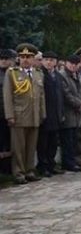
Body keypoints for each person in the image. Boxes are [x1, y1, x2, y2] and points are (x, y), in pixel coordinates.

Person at [2, 43, 46, 184]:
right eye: (22, 57)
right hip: (19, 115)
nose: (25, 59)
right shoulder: (12, 73)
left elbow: (41, 96)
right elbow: (7, 96)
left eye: (29, 57)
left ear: (33, 59)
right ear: (18, 58)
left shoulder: (38, 73)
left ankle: (30, 170)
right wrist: (9, 115)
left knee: (31, 146)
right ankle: (19, 173)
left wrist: (42, 113)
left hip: (34, 116)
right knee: (18, 147)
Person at [37, 51, 63, 177]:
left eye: (52, 60)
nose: (49, 62)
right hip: (45, 113)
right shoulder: (40, 74)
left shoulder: (57, 76)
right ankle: (43, 166)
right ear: (42, 61)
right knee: (43, 143)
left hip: (56, 114)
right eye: (46, 59)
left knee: (53, 142)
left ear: (56, 62)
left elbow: (60, 96)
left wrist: (61, 112)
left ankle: (51, 165)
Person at [59, 54, 81, 172]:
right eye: (71, 64)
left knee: (74, 139)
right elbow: (66, 94)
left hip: (77, 113)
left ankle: (73, 160)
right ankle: (68, 162)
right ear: (66, 63)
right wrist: (78, 104)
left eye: (76, 64)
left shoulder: (77, 75)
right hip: (68, 112)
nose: (73, 66)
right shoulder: (62, 75)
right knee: (67, 140)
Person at [0, 48, 15, 175]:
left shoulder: (14, 73)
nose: (4, 61)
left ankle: (8, 169)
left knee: (11, 143)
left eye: (6, 59)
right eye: (2, 59)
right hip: (0, 114)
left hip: (12, 113)